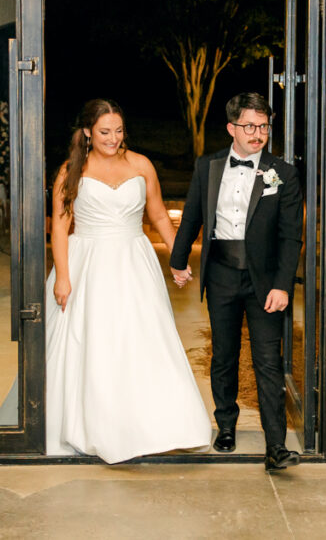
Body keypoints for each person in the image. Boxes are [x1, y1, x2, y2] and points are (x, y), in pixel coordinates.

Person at [45, 99, 211, 464]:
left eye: (118, 131)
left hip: (134, 263)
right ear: (88, 131)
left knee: (141, 339)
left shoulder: (141, 164)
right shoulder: (72, 169)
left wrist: (178, 257)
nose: (113, 138)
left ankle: (152, 425)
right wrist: (63, 277)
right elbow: (59, 226)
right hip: (86, 264)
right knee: (95, 343)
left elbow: (158, 216)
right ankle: (96, 426)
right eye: (105, 132)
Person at [169, 92, 304, 472]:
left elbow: (291, 235)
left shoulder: (284, 172)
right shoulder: (208, 166)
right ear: (232, 128)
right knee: (224, 356)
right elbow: (193, 215)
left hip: (265, 281)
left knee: (267, 360)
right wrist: (178, 261)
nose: (257, 133)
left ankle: (276, 445)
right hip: (222, 274)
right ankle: (225, 425)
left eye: (263, 126)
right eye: (249, 126)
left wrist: (282, 284)